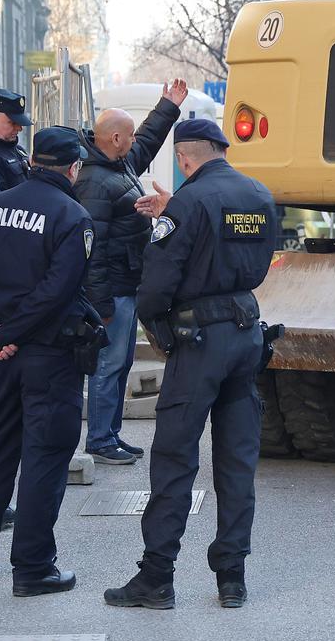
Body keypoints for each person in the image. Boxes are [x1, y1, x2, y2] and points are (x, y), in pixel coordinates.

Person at [104, 118, 277, 611]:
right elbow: (248, 257)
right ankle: (232, 578)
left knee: (175, 459)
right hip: (246, 331)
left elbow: (157, 283)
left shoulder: (189, 201)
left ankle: (156, 576)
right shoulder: (258, 195)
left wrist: (158, 329)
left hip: (200, 340)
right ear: (221, 150)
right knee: (237, 459)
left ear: (183, 158)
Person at [0, 127, 99, 596]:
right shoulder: (73, 217)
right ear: (74, 168)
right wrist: (5, 334)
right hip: (49, 356)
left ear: (32, 160)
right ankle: (33, 568)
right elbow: (56, 293)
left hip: (0, 357)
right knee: (45, 458)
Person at [76, 82, 187, 465]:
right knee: (107, 366)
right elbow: (92, 251)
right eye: (130, 134)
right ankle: (100, 441)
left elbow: (147, 142)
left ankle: (110, 434)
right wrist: (102, 304)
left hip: (126, 284)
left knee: (120, 364)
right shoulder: (95, 181)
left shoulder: (116, 164)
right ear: (116, 138)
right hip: (113, 293)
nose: (135, 140)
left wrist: (168, 106)